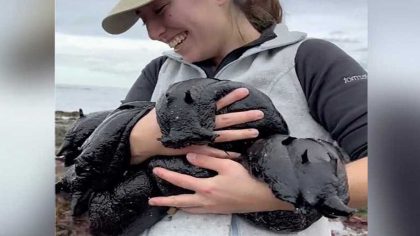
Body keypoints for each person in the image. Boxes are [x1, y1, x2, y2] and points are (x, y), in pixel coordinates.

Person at [102, 0, 368, 235]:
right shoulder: (158, 72)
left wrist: (266, 197)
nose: (153, 32)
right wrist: (138, 142)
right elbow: (95, 166)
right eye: (143, 19)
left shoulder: (309, 59)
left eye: (160, 8)